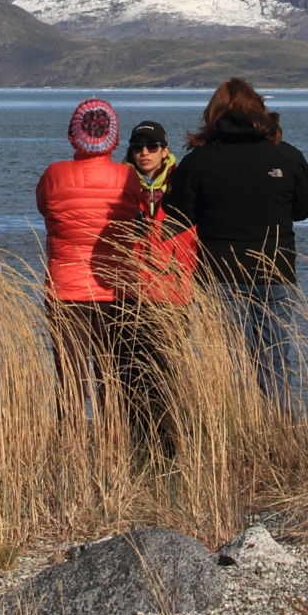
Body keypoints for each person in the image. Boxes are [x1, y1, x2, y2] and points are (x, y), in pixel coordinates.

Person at [163, 78, 308, 407]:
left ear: (213, 113)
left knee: (229, 361)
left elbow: (179, 214)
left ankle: (237, 436)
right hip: (274, 270)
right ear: (259, 110)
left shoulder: (199, 161)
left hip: (220, 272)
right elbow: (306, 205)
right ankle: (279, 432)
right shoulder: (286, 156)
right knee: (276, 358)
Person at [34, 98, 144, 423]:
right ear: (114, 137)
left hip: (65, 291)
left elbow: (45, 209)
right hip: (116, 291)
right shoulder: (129, 177)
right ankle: (114, 447)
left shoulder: (54, 174)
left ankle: (70, 453)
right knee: (111, 377)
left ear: (73, 135)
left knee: (70, 379)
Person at [112, 119, 198, 453]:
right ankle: (137, 444)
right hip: (131, 292)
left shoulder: (183, 182)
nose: (144, 153)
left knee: (169, 375)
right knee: (131, 375)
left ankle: (172, 445)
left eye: (151, 147)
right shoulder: (120, 183)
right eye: (137, 147)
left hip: (173, 294)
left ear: (165, 150)